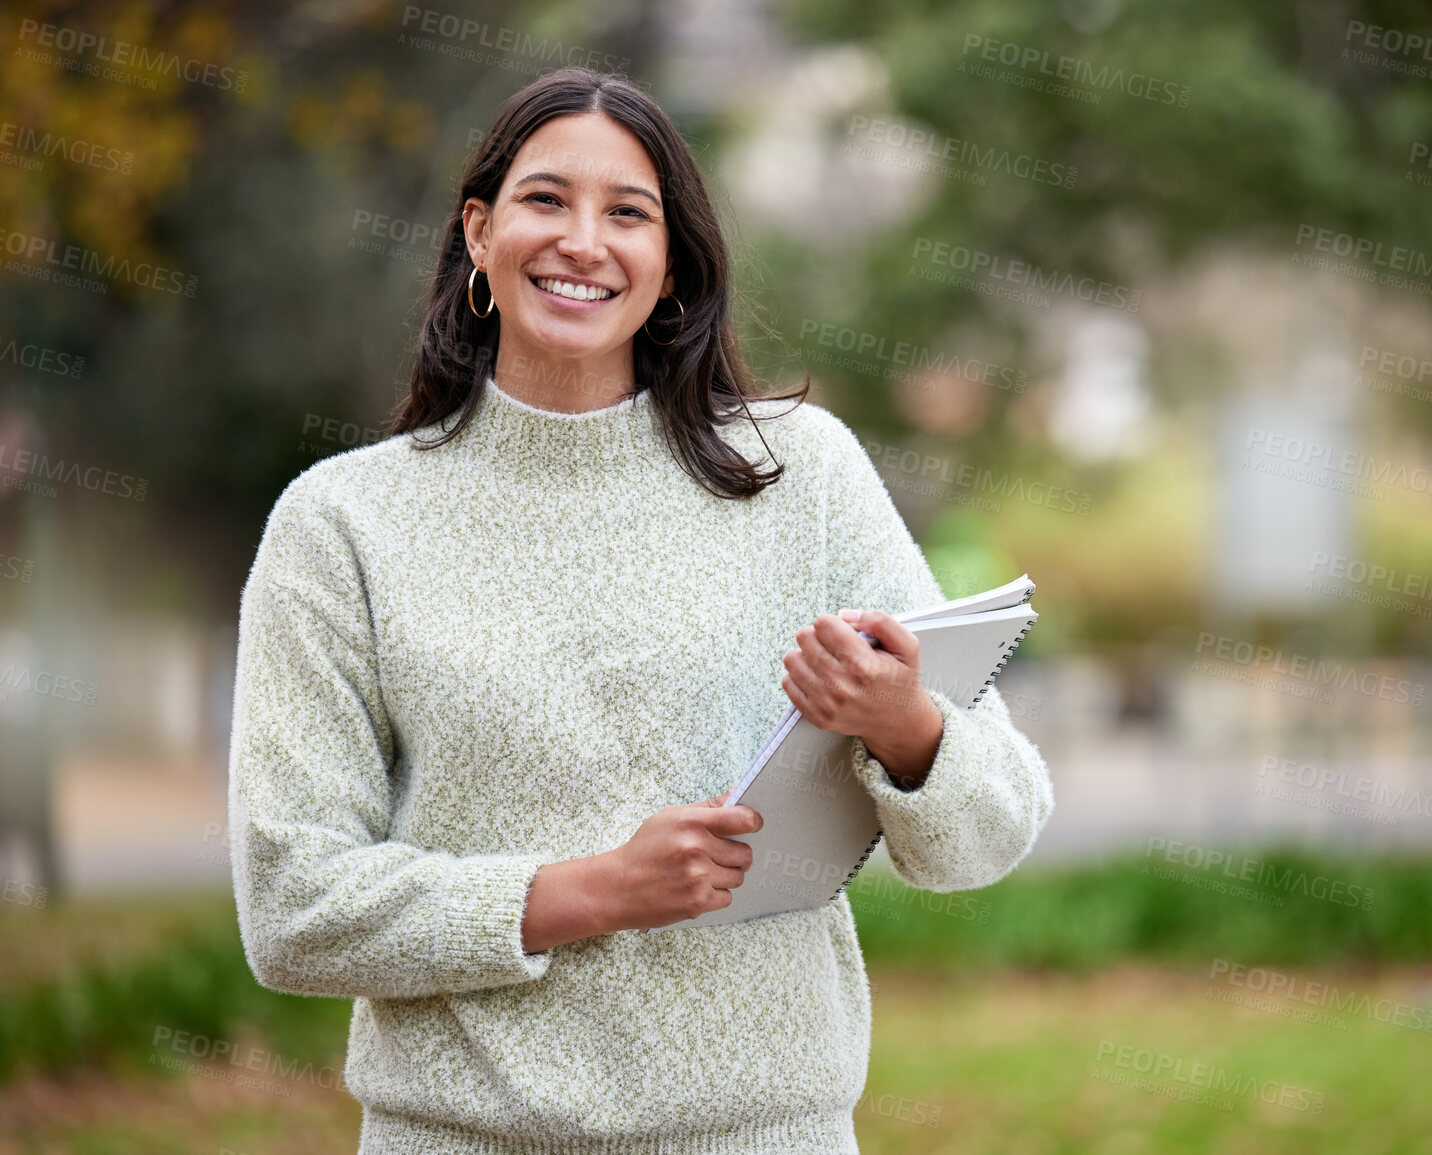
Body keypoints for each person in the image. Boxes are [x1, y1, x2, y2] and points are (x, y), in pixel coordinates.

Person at [227, 65, 1053, 1154]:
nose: (583, 241)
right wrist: (597, 890)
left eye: (629, 213)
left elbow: (988, 835)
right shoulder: (342, 524)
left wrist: (905, 723)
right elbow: (295, 908)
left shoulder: (797, 475)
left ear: (671, 267)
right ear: (479, 233)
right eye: (544, 200)